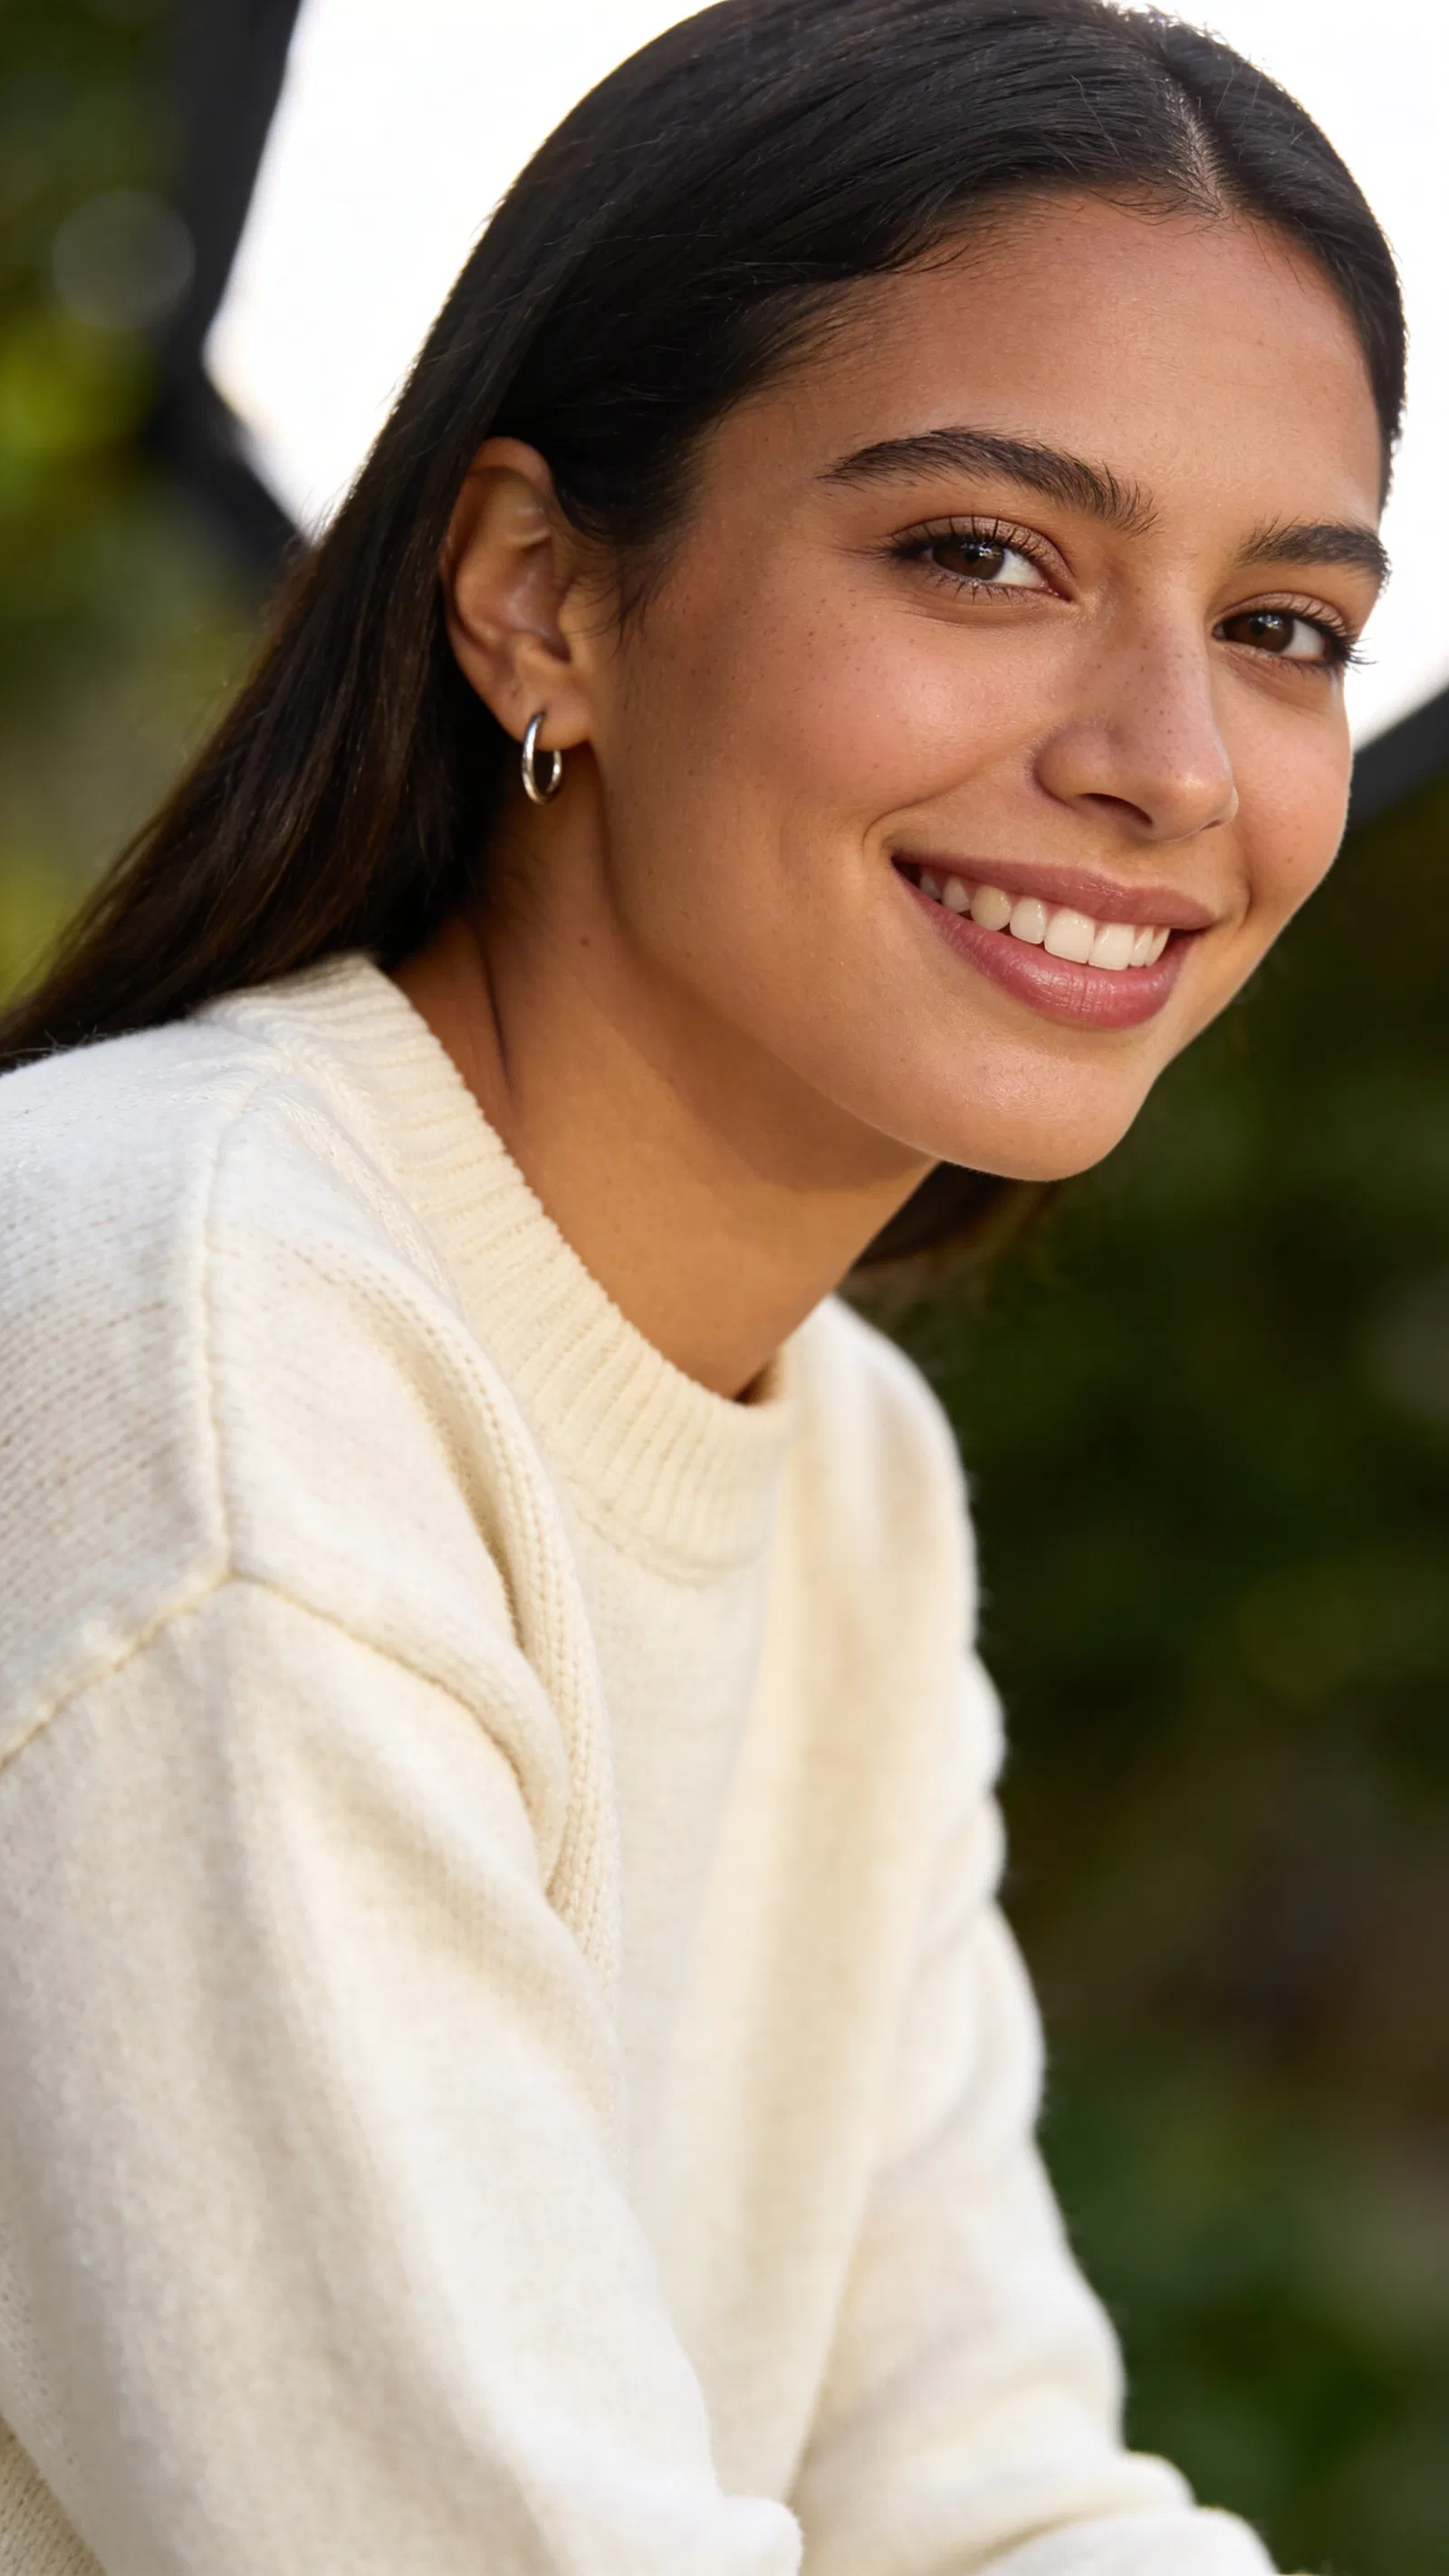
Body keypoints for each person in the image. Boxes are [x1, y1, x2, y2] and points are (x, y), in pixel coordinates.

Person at [0, 0, 1399, 2568]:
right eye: (989, 553)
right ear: (541, 594)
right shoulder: (189, 1335)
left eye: (1290, 621)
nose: (1175, 762)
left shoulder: (840, 1464)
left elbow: (971, 2493)